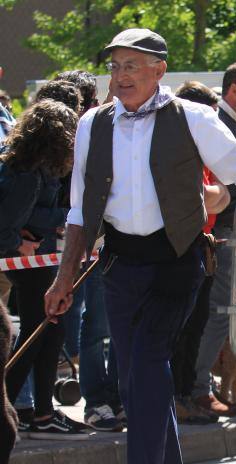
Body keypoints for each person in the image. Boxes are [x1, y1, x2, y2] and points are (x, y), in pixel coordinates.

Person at [43, 29, 236, 464]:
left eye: (132, 65)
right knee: (138, 380)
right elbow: (81, 207)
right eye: (115, 66)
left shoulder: (193, 117)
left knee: (146, 370)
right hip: (120, 265)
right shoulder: (91, 124)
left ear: (158, 70)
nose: (121, 75)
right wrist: (64, 278)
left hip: (177, 262)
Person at [0, 100, 84, 439]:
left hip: (27, 262)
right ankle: (9, 406)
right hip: (22, 263)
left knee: (42, 332)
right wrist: (21, 242)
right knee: (34, 335)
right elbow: (7, 224)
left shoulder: (21, 165)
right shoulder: (29, 175)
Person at [51, 70, 125, 432]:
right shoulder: (83, 133)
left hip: (113, 242)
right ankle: (97, 400)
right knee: (94, 325)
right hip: (86, 244)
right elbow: (75, 199)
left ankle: (113, 395)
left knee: (109, 324)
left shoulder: (111, 127)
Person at [191, 60, 236, 419]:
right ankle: (197, 387)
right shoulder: (220, 123)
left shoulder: (235, 123)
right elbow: (231, 181)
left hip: (224, 232)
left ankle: (201, 385)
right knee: (219, 311)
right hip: (217, 233)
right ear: (233, 89)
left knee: (223, 309)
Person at [171, 81, 231, 424]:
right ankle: (173, 397)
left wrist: (211, 194)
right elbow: (202, 196)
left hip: (202, 245)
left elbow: (220, 197)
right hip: (177, 248)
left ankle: (185, 394)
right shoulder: (176, 147)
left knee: (196, 326)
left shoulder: (203, 148)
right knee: (176, 330)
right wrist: (211, 195)